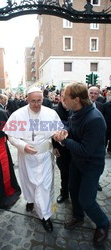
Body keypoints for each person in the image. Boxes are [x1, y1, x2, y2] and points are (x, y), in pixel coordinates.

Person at [54, 82, 110, 246]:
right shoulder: (74, 110)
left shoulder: (95, 119)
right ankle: (78, 216)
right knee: (73, 189)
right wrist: (64, 130)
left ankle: (103, 223)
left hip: (91, 165)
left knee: (87, 200)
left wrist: (64, 140)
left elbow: (86, 150)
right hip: (77, 162)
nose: (61, 99)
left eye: (65, 97)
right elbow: (70, 126)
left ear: (76, 99)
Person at [4, 86, 63, 232]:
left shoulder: (51, 113)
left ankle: (45, 216)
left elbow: (58, 132)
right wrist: (22, 145)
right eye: (33, 101)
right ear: (27, 100)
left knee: (44, 185)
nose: (36, 105)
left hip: (45, 156)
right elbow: (10, 136)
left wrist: (59, 139)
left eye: (39, 101)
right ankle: (30, 200)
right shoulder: (18, 115)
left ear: (43, 99)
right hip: (26, 156)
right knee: (29, 182)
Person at [52, 89, 71, 203]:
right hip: (61, 150)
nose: (65, 100)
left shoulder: (77, 110)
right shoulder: (54, 112)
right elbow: (50, 131)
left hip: (76, 149)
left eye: (67, 97)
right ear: (59, 97)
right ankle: (64, 193)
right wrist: (54, 147)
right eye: (62, 97)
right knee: (64, 173)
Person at [88, 86, 104, 191]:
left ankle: (95, 182)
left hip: (98, 142)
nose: (93, 95)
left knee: (97, 164)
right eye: (91, 93)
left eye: (95, 93)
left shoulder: (101, 106)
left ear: (98, 95)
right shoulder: (80, 105)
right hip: (86, 141)